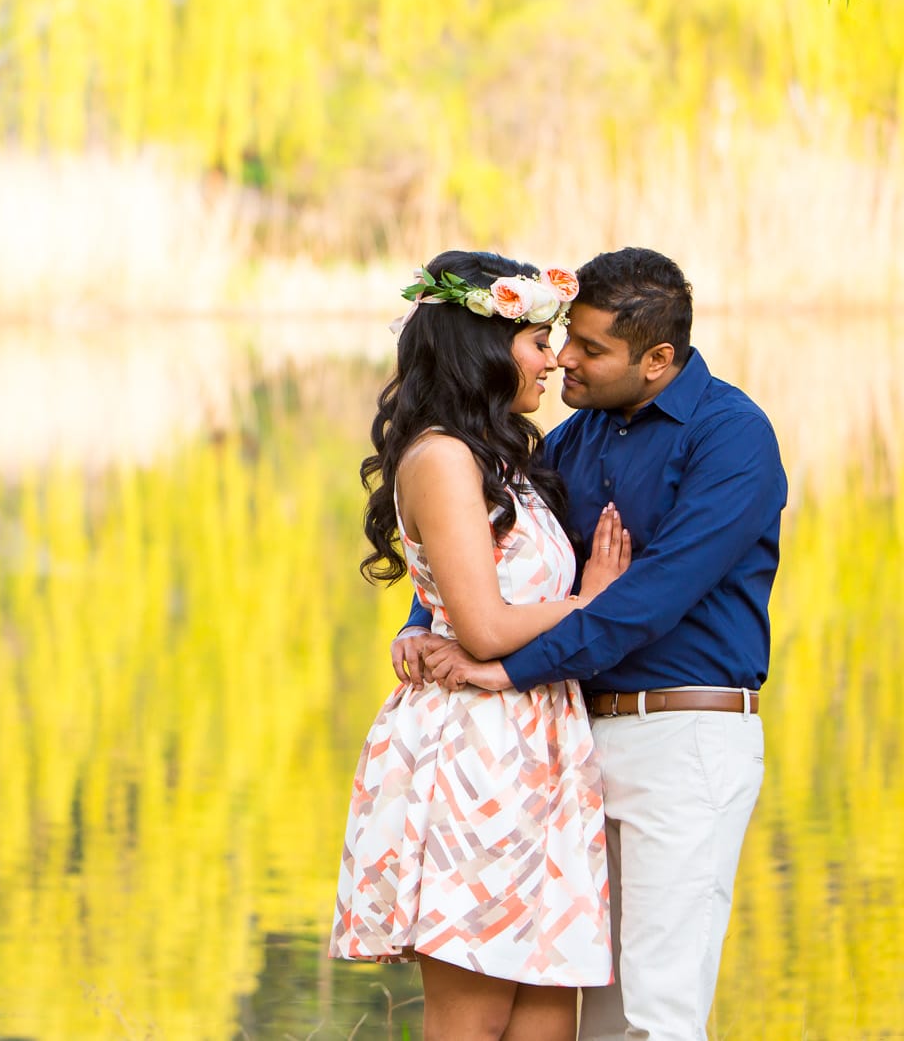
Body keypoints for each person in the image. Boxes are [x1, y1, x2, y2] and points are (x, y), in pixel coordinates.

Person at [396, 247, 786, 1041]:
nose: (565, 356)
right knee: (580, 995)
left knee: (650, 1015)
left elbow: (649, 598)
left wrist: (505, 667)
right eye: (563, 337)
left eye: (591, 348)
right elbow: (495, 550)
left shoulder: (732, 439)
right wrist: (423, 619)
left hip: (682, 739)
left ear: (658, 359)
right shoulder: (573, 441)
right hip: (566, 749)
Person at [331, 249, 622, 1041]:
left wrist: (423, 625)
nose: (553, 359)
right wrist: (588, 603)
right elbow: (488, 624)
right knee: (477, 1019)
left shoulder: (509, 462)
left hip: (545, 747)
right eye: (536, 342)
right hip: (478, 756)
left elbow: (460, 614)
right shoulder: (442, 459)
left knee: (545, 1021)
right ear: (484, 350)